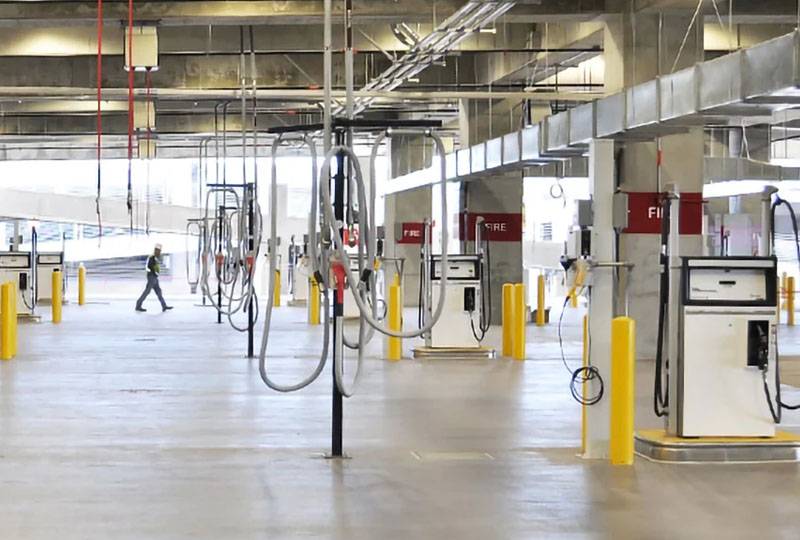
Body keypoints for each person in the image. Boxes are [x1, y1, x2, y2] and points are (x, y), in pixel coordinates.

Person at [135, 243, 173, 313]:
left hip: (155, 278)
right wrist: (154, 272)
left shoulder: (155, 258)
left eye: (160, 251)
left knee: (159, 292)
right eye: (158, 251)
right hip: (151, 277)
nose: (159, 252)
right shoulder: (151, 257)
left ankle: (164, 306)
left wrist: (156, 273)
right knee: (147, 292)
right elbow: (149, 267)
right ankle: (138, 305)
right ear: (156, 250)